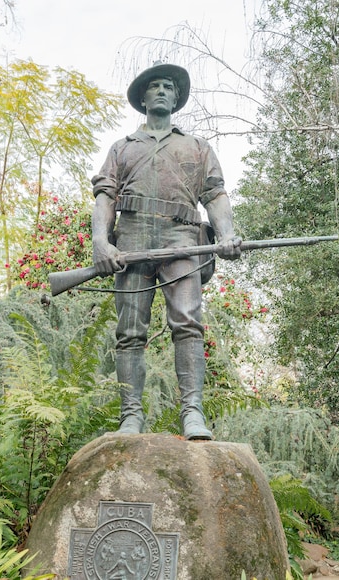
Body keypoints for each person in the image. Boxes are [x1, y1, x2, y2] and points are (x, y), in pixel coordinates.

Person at [90, 62, 242, 441]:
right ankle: (130, 416)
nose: (161, 91)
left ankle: (192, 412)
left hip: (183, 239)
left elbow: (216, 194)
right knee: (129, 332)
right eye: (154, 86)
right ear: (143, 98)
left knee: (188, 324)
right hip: (133, 240)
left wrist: (227, 234)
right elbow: (105, 197)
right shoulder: (121, 149)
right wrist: (100, 241)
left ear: (176, 98)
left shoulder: (196, 146)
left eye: (168, 87)